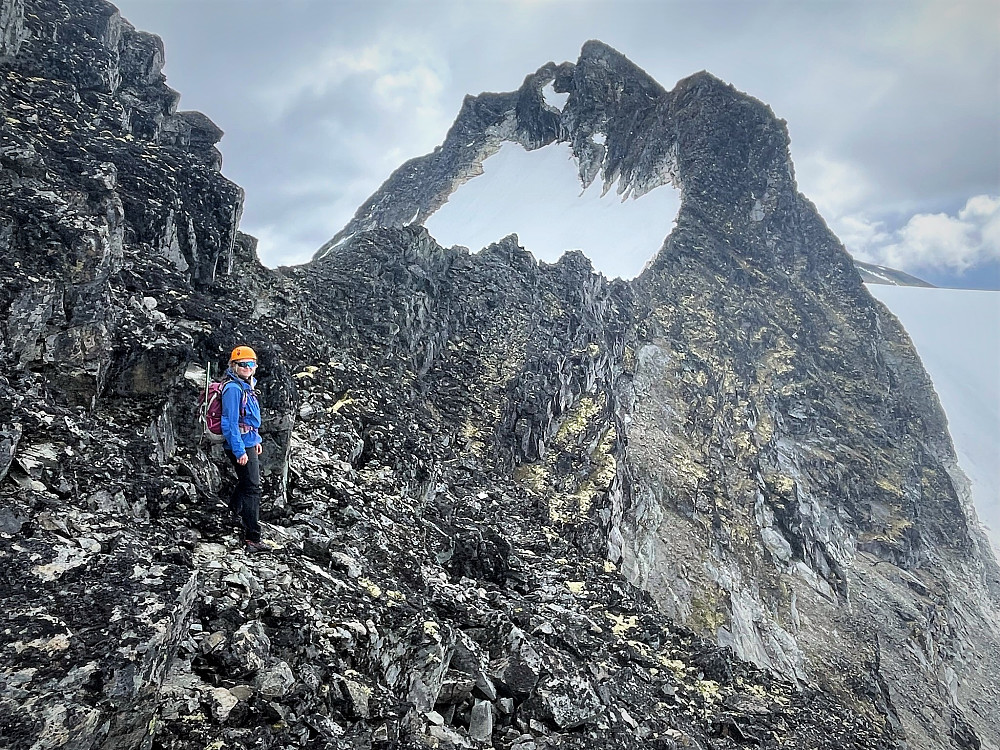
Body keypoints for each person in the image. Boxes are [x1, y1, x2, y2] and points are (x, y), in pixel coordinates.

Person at [221, 345, 266, 553]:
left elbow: (249, 419)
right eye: (243, 364)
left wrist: (255, 440)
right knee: (252, 488)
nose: (247, 367)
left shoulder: (247, 385)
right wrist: (239, 451)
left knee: (246, 482)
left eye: (251, 364)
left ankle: (231, 514)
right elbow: (229, 423)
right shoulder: (233, 389)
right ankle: (252, 537)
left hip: (248, 441)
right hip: (239, 444)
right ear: (233, 365)